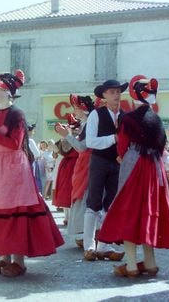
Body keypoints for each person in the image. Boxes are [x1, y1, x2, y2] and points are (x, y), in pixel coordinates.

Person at [0, 69, 63, 277]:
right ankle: (3, 256)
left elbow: (15, 144)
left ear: (8, 92)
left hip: (14, 166)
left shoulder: (17, 114)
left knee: (15, 211)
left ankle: (18, 260)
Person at [97, 75, 169, 278]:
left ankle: (132, 264)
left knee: (128, 212)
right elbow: (161, 147)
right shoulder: (157, 120)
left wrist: (122, 157)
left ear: (133, 95)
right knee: (148, 213)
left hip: (135, 168)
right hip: (155, 169)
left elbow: (123, 147)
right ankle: (150, 262)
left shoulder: (129, 119)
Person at [82, 79, 127, 262]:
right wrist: (114, 139)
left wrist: (122, 153)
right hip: (99, 161)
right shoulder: (96, 115)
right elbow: (90, 142)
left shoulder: (125, 116)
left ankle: (104, 245)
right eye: (112, 92)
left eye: (118, 92)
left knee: (111, 204)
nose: (116, 95)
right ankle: (89, 246)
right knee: (93, 202)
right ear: (104, 96)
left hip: (117, 163)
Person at [56, 94, 95, 248]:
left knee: (85, 198)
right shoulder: (86, 123)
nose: (75, 111)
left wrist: (67, 136)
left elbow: (82, 147)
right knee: (82, 198)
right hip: (84, 165)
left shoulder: (89, 123)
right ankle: (85, 234)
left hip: (88, 165)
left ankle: (88, 234)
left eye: (77, 108)